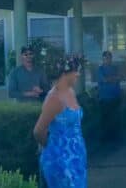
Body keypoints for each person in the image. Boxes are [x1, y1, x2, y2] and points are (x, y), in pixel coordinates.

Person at [34, 55, 87, 188]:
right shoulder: (54, 99)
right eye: (76, 71)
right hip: (60, 162)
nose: (79, 74)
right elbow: (38, 131)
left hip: (76, 157)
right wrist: (52, 147)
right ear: (65, 73)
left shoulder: (70, 91)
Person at [97, 51, 122, 142]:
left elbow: (119, 77)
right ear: (103, 59)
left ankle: (115, 137)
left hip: (115, 96)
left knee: (115, 118)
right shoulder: (100, 69)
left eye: (109, 58)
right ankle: (105, 138)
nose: (108, 60)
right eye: (106, 58)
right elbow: (104, 79)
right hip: (104, 98)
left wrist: (110, 79)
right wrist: (113, 78)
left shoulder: (115, 68)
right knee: (106, 119)